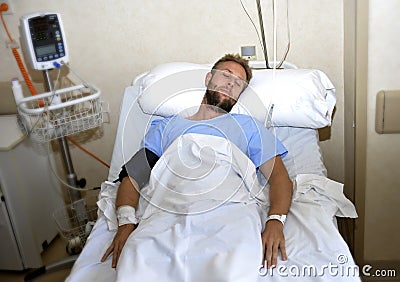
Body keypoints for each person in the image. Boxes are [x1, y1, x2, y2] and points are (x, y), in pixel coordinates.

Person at [101, 54, 293, 278]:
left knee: (234, 267)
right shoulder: (167, 127)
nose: (231, 83)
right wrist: (125, 223)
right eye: (226, 75)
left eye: (238, 83)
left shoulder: (248, 127)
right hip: (168, 209)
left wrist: (275, 221)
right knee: (138, 263)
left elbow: (280, 178)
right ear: (208, 78)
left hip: (229, 209)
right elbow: (133, 176)